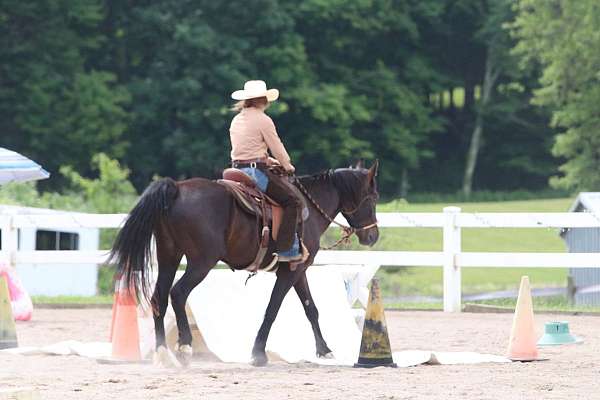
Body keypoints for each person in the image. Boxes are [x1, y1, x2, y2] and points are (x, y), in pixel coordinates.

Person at [228, 80, 306, 263]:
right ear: (263, 99)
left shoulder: (237, 119)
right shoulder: (263, 120)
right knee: (292, 201)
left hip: (235, 169)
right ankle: (288, 250)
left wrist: (270, 160)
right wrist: (287, 165)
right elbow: (276, 146)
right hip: (255, 172)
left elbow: (247, 149)